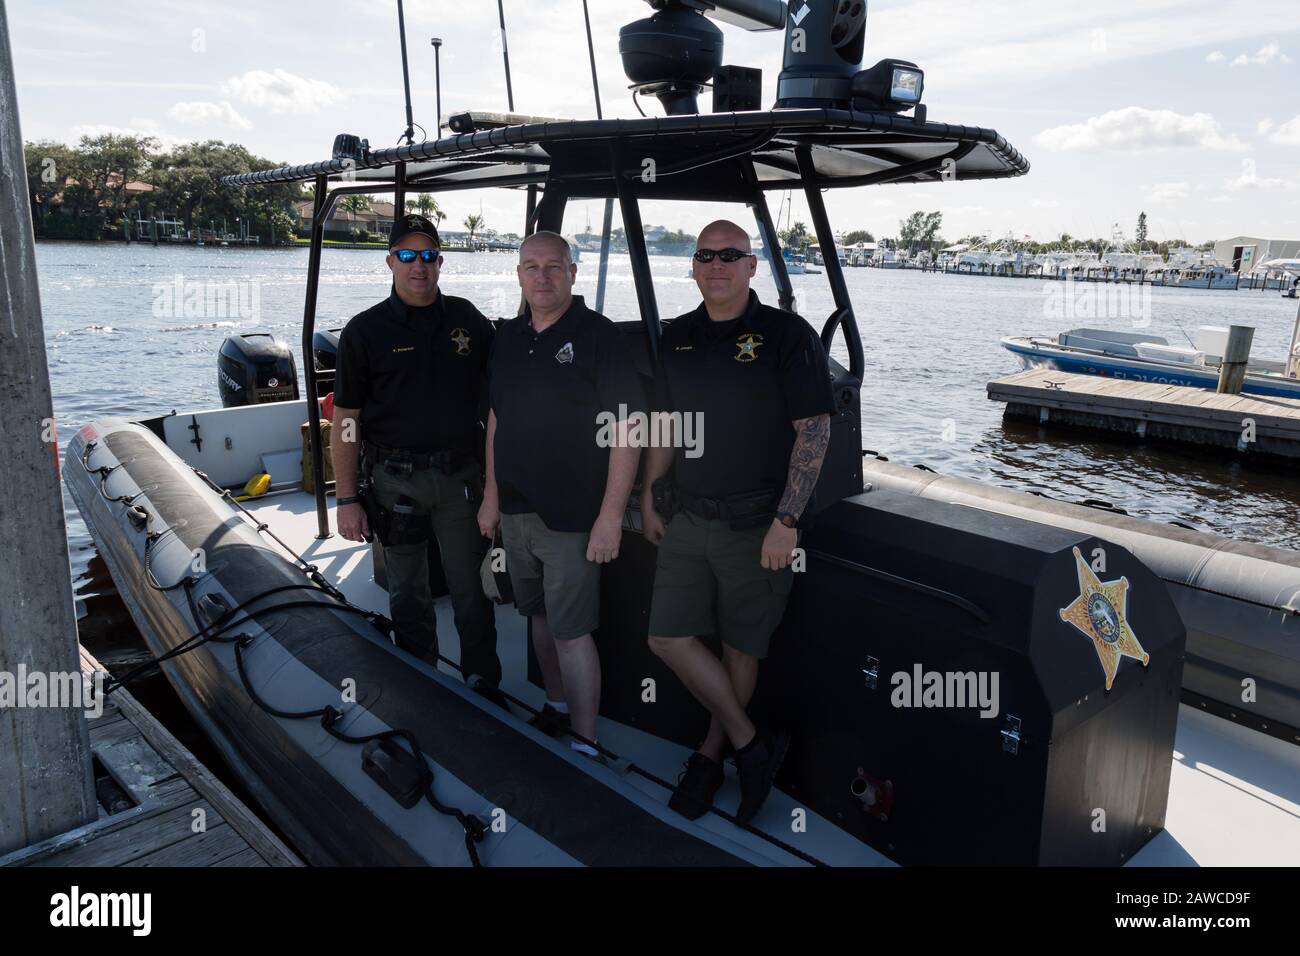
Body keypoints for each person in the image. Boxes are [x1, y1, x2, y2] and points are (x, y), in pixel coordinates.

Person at [642, 219, 834, 823]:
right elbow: (666, 426)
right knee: (665, 637)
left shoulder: (786, 335)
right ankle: (753, 744)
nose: (716, 265)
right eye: (705, 255)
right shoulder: (677, 337)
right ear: (693, 266)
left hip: (758, 525)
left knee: (740, 647)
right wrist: (648, 495)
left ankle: (710, 756)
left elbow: (815, 430)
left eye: (730, 255)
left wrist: (788, 520)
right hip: (688, 517)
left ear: (752, 266)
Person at [478, 231, 642, 759]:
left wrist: (611, 516)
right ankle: (554, 705)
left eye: (554, 267)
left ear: (573, 273)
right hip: (516, 508)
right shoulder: (505, 336)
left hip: (574, 516)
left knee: (572, 633)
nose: (542, 277)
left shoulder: (601, 337)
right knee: (539, 617)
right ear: (519, 274)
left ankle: (586, 738)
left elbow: (629, 427)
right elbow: (496, 418)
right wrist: (489, 494)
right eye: (531, 267)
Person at [331, 213, 502, 701]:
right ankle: (421, 683)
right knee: (407, 593)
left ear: (440, 262)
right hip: (393, 481)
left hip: (459, 479)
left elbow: (501, 398)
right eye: (407, 256)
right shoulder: (364, 332)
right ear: (390, 262)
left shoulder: (468, 320)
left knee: (471, 590)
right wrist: (346, 498)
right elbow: (346, 420)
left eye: (428, 255)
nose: (418, 266)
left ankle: (483, 682)